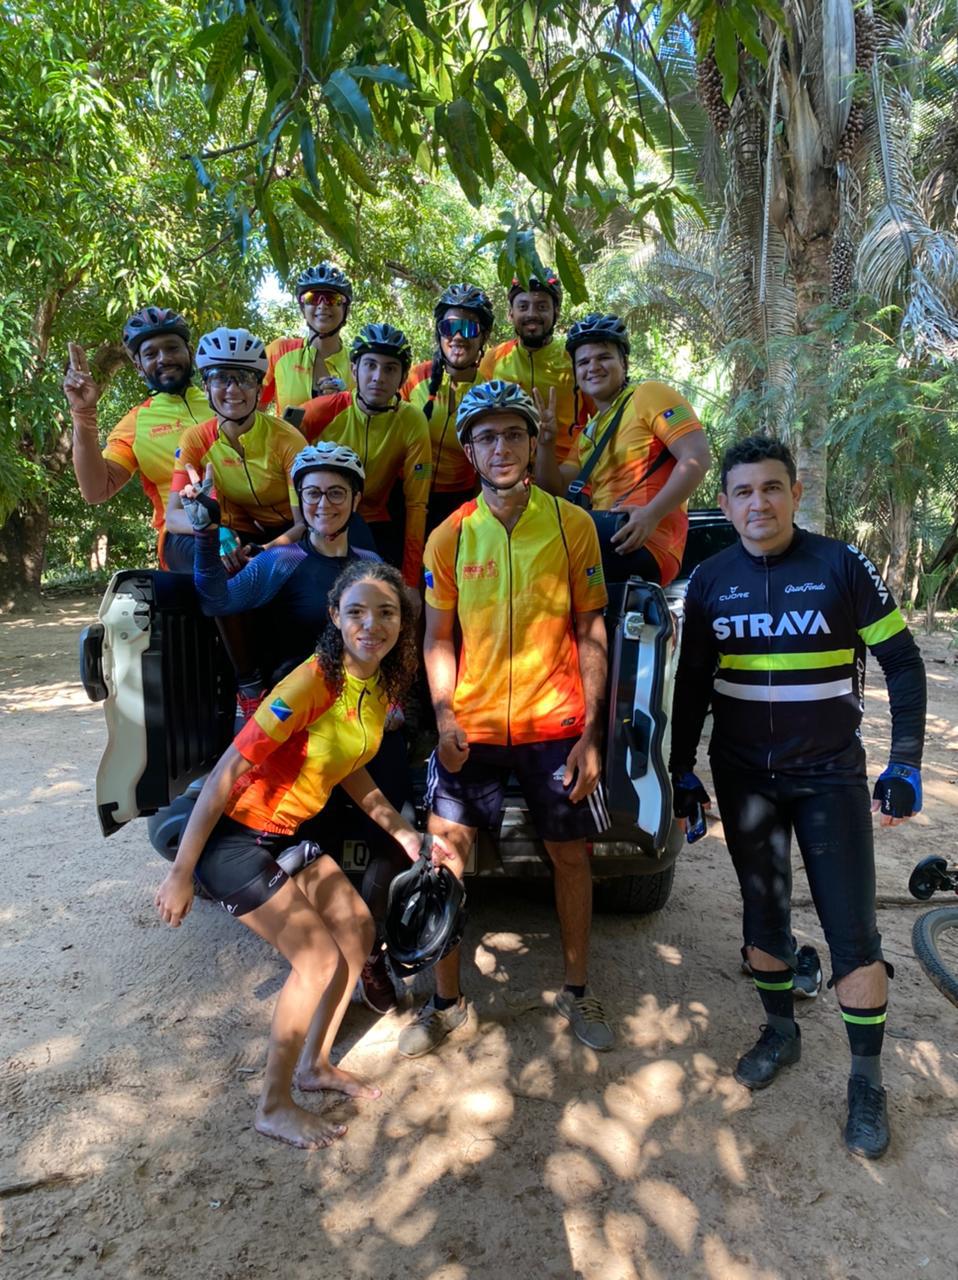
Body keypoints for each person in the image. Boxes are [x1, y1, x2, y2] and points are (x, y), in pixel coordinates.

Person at [670, 434, 926, 1160]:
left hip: (829, 778)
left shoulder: (841, 565)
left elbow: (903, 664)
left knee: (852, 934)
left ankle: (866, 1082)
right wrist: (682, 771)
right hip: (744, 777)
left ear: (795, 493)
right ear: (726, 505)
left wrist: (906, 763)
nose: (759, 503)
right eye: (744, 492)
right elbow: (692, 686)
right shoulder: (710, 580)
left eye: (772, 488)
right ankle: (781, 1032)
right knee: (763, 920)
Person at [154, 560, 445, 1150]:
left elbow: (350, 766)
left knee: (357, 931)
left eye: (386, 612)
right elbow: (226, 772)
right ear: (335, 617)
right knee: (315, 960)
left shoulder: (377, 685)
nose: (371, 624)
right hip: (233, 839)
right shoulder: (309, 684)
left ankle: (314, 1065)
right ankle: (273, 1106)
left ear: (401, 623)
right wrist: (181, 873)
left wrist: (405, 834)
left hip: (283, 831)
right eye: (356, 611)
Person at [398, 379, 614, 1059]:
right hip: (474, 726)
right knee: (444, 860)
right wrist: (444, 718)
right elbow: (436, 638)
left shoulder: (572, 525)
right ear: (469, 450)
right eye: (487, 437)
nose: (501, 447)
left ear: (532, 441)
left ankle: (578, 990)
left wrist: (593, 735)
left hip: (557, 723)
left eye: (513, 433)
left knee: (571, 857)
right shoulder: (450, 536)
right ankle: (445, 1003)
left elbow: (592, 630)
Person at [181, 442, 413, 1013]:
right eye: (312, 494)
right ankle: (321, 964)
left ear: (355, 500)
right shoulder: (281, 561)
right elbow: (215, 599)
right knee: (318, 837)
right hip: (298, 725)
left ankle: (370, 952)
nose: (323, 504)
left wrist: (395, 702)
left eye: (336, 493)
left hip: (360, 717)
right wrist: (206, 533)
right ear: (298, 501)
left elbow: (393, 625)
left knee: (389, 832)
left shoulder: (368, 562)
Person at [535, 313, 712, 586]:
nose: (593, 367)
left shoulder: (648, 395)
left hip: (648, 536)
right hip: (605, 534)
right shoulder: (589, 432)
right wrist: (545, 444)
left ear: (624, 363)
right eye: (583, 362)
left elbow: (696, 456)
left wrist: (651, 514)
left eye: (604, 357)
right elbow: (555, 489)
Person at [63, 307, 209, 572]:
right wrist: (83, 414)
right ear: (139, 367)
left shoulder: (223, 402)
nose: (164, 358)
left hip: (244, 523)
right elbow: (96, 490)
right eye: (151, 354)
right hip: (183, 538)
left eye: (172, 348)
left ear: (190, 352)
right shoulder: (136, 423)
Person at [301, 323, 431, 587]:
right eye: (370, 365)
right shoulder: (320, 411)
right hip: (323, 515)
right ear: (354, 370)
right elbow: (284, 460)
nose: (378, 377)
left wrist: (411, 581)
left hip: (377, 519)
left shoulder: (412, 420)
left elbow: (417, 504)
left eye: (390, 369)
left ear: (403, 377)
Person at [166, 327, 307, 556]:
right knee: (186, 544)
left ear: (259, 390)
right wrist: (212, 529)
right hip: (248, 530)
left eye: (245, 379)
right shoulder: (195, 439)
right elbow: (172, 517)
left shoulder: (287, 439)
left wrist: (262, 552)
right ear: (206, 388)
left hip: (296, 530)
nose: (232, 389)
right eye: (220, 378)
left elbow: (305, 523)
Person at [402, 283, 493, 531]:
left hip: (457, 502)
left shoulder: (487, 392)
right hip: (404, 493)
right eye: (449, 327)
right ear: (439, 333)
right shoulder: (413, 378)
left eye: (469, 328)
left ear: (484, 337)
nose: (458, 336)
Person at [478, 270, 589, 464]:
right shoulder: (493, 358)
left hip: (566, 467)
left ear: (556, 312)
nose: (532, 314)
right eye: (523, 306)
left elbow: (602, 415)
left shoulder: (574, 358)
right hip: (508, 467)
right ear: (511, 313)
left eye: (542, 307)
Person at [260, 264, 354, 419]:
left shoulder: (359, 363)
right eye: (312, 298)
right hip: (288, 436)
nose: (322, 305)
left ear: (346, 310)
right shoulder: (278, 351)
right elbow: (252, 413)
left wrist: (347, 400)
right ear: (303, 309)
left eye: (333, 299)